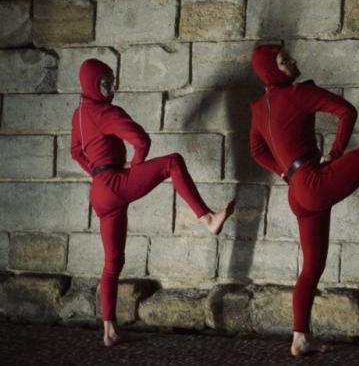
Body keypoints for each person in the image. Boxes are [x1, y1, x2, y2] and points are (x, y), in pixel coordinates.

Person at [248, 44, 359, 356]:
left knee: (311, 268)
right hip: (313, 181)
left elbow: (257, 151)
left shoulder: (258, 106)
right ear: (272, 70)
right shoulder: (297, 93)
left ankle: (300, 338)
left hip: (297, 192)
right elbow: (347, 111)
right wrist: (336, 153)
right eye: (284, 60)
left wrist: (283, 173)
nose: (293, 61)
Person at [70, 59, 235, 347]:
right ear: (92, 84)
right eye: (106, 83)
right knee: (172, 163)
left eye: (113, 81)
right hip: (114, 183)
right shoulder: (105, 111)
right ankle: (207, 218)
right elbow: (141, 140)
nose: (113, 87)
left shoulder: (79, 113)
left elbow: (76, 152)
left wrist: (98, 175)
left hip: (99, 191)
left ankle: (109, 331)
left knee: (112, 264)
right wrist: (133, 170)